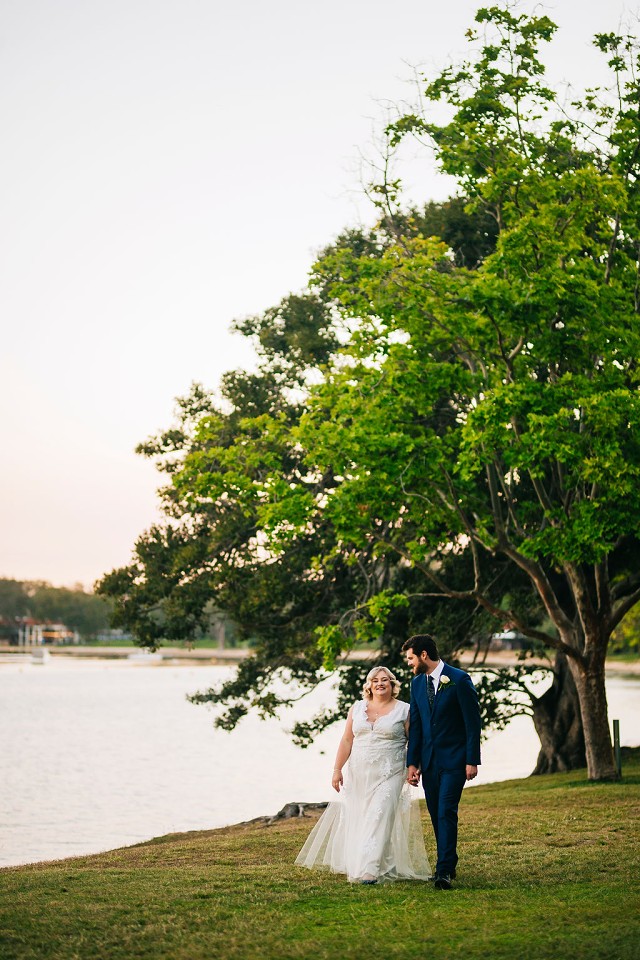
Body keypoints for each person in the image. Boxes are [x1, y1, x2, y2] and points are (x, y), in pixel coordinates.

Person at [295, 665, 431, 884]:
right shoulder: (357, 708)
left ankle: (370, 870)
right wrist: (337, 770)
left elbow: (415, 741)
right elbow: (347, 740)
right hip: (359, 774)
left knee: (379, 815)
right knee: (363, 817)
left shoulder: (404, 710)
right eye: (375, 680)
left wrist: (415, 767)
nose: (380, 683)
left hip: (391, 773)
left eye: (384, 680)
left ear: (392, 684)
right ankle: (382, 863)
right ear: (369, 685)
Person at [402, 634, 482, 890]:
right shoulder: (416, 684)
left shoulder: (459, 679)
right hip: (429, 762)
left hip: (455, 760)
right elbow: (416, 726)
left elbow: (472, 723)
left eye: (411, 658)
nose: (409, 663)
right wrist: (412, 763)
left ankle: (443, 869)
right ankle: (450, 860)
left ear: (424, 655)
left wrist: (472, 760)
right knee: (437, 813)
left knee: (446, 810)